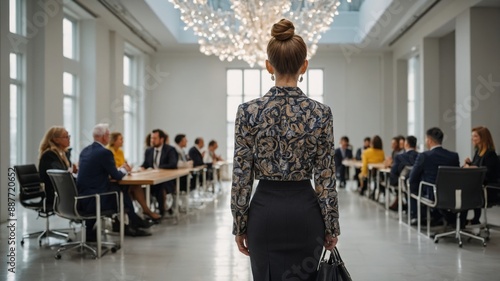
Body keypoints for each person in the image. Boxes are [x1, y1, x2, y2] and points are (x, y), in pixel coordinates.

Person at [231, 19, 339, 281]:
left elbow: (241, 176)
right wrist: (331, 225)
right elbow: (326, 177)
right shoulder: (320, 113)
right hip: (306, 212)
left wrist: (239, 225)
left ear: (269, 66)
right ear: (304, 65)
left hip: (265, 213)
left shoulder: (249, 112)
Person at [77, 124, 151, 239]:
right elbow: (117, 176)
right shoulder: (104, 152)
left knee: (119, 189)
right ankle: (133, 223)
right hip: (96, 200)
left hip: (82, 198)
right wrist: (124, 169)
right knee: (122, 192)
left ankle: (92, 231)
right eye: (108, 135)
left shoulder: (85, 151)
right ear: (104, 137)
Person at [408, 127, 460, 226]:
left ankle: (423, 215)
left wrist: (414, 193)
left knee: (414, 184)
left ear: (429, 140)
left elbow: (413, 177)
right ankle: (441, 217)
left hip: (432, 194)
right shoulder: (453, 156)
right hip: (451, 194)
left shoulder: (424, 156)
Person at [108, 132, 161, 221]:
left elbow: (124, 165)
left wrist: (126, 168)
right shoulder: (108, 152)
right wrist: (124, 168)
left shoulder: (120, 151)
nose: (123, 141)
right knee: (135, 187)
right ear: (114, 141)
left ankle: (140, 213)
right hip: (113, 182)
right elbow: (114, 169)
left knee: (136, 186)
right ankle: (143, 212)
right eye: (120, 139)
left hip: (122, 178)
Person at [462, 126, 500, 225]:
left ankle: (462, 222)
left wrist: (473, 168)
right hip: (478, 186)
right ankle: (467, 221)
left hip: (488, 189)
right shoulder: (478, 152)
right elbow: (477, 167)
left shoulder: (490, 154)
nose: (472, 139)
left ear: (482, 138)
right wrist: (469, 164)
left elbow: (489, 174)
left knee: (463, 192)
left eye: (475, 136)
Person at [141, 129, 178, 216]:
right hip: (151, 179)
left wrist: (156, 169)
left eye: (155, 138)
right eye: (151, 138)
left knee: (160, 186)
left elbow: (173, 164)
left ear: (161, 139)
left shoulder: (170, 150)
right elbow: (145, 164)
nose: (152, 140)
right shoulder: (148, 151)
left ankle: (161, 211)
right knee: (140, 187)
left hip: (166, 180)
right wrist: (141, 168)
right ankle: (147, 211)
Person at [38, 126, 76, 209]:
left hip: (61, 190)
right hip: (54, 193)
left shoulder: (63, 153)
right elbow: (59, 176)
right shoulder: (50, 155)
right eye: (66, 137)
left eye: (68, 136)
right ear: (56, 139)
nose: (69, 139)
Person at [388, 136, 419, 210]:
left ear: (406, 144)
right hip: (418, 183)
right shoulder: (420, 156)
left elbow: (394, 171)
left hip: (403, 182)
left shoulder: (399, 157)